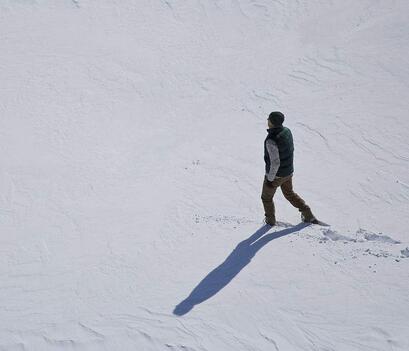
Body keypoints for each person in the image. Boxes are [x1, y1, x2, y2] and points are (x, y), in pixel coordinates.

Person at [261, 111, 318, 226]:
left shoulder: (271, 140)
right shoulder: (287, 131)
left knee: (266, 198)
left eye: (269, 119)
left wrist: (270, 179)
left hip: (276, 175)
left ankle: (270, 221)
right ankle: (307, 213)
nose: (267, 121)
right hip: (288, 172)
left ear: (271, 122)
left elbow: (275, 162)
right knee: (289, 193)